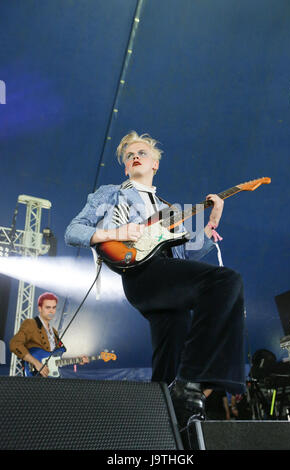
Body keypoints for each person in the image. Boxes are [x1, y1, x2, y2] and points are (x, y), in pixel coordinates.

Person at [64, 131, 245, 430]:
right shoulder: (111, 194)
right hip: (140, 273)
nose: (135, 156)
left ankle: (165, 425)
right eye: (129, 155)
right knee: (226, 281)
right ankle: (195, 380)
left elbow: (186, 254)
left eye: (142, 153)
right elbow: (74, 230)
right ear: (126, 167)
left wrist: (212, 223)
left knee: (168, 361)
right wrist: (116, 233)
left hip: (167, 277)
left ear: (155, 164)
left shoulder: (167, 208)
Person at [10, 292, 88, 377]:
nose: (51, 311)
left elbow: (55, 358)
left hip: (49, 377)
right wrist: (36, 363)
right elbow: (15, 344)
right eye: (48, 307)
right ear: (40, 308)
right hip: (35, 375)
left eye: (54, 307)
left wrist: (76, 359)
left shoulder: (54, 331)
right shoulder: (31, 324)